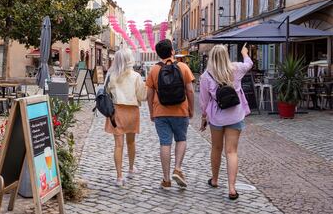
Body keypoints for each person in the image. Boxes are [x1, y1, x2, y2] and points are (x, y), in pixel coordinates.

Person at [199, 44, 253, 200]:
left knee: (216, 148)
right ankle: (232, 188)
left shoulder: (206, 76)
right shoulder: (236, 69)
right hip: (235, 115)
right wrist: (244, 53)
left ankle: (215, 180)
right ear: (226, 56)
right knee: (232, 151)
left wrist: (204, 117)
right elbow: (249, 64)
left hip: (217, 117)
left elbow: (204, 101)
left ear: (211, 58)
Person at [146, 40, 195, 189]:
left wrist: (151, 112)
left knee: (165, 143)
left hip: (161, 112)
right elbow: (190, 91)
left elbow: (149, 94)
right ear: (172, 51)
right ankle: (178, 168)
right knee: (181, 139)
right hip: (181, 110)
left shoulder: (154, 70)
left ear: (158, 54)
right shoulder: (183, 67)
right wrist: (191, 109)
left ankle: (166, 180)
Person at [104, 47, 146, 186]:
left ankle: (119, 176)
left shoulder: (112, 76)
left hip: (117, 112)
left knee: (118, 145)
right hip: (132, 112)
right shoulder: (136, 76)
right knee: (131, 142)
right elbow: (142, 96)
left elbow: (107, 93)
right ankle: (131, 168)